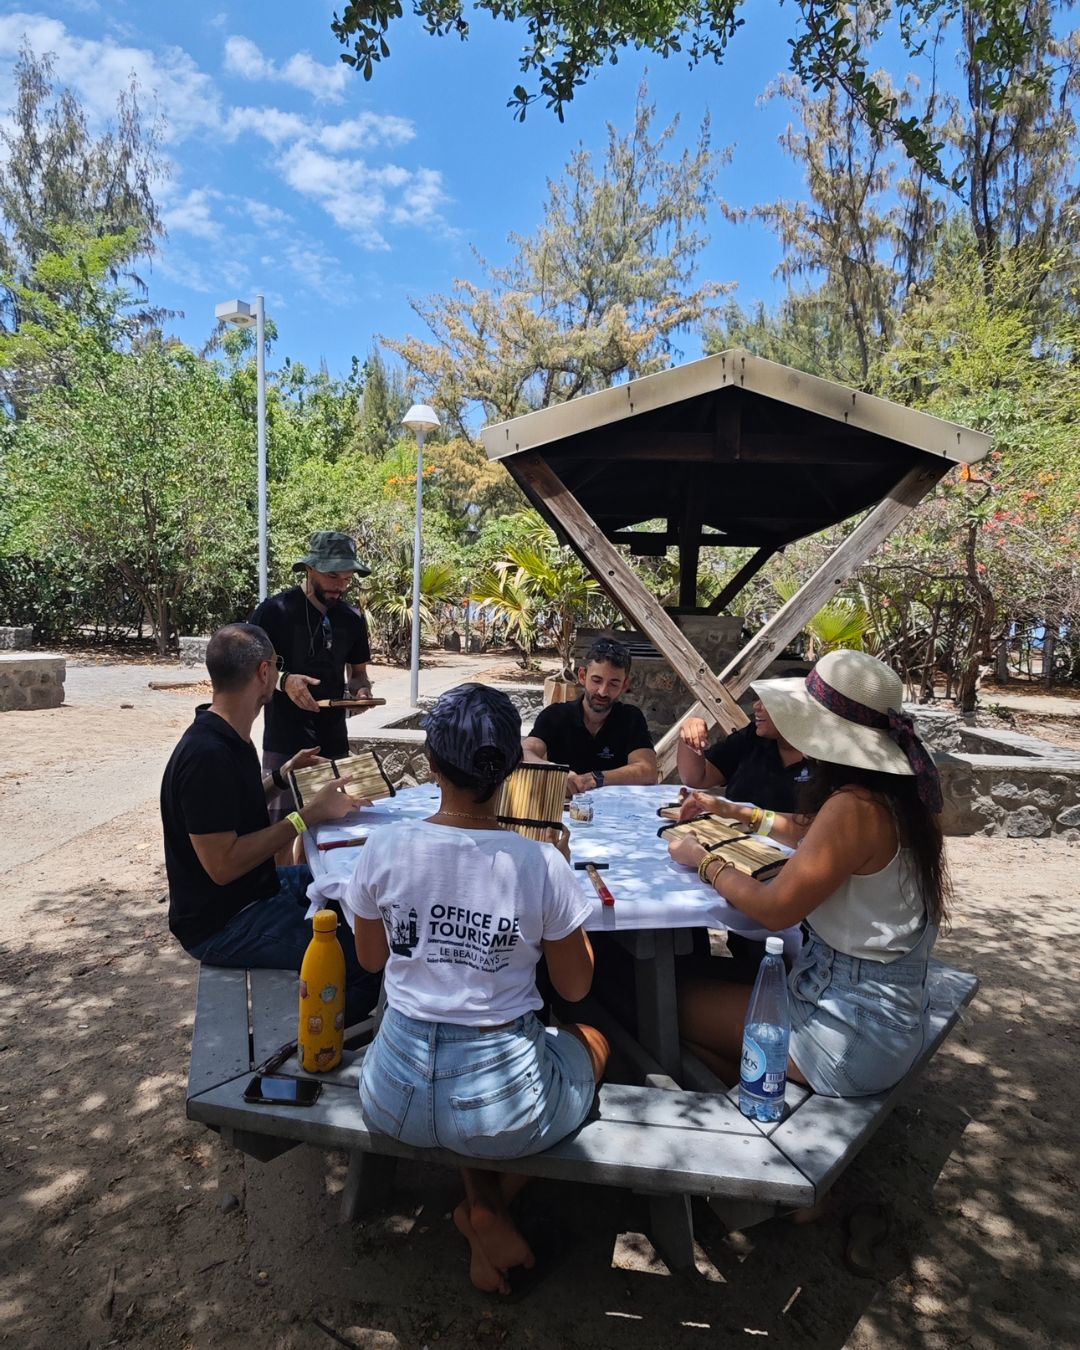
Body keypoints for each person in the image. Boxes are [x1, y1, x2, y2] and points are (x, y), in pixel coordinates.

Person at [341, 683, 610, 1295]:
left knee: (457, 1077)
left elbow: (369, 956)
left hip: (392, 1092)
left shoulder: (385, 846)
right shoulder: (540, 863)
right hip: (503, 1101)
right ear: (511, 769)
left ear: (431, 764)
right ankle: (485, 1206)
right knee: (592, 1037)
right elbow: (575, 986)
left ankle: (480, 1210)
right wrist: (565, 891)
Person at [667, 649, 951, 1097]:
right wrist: (735, 811)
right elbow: (808, 831)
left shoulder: (854, 806)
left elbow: (773, 909)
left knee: (658, 998)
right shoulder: (902, 796)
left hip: (845, 1034)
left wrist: (702, 859)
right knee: (688, 990)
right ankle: (733, 1089)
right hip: (882, 1019)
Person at [161, 623, 381, 1023]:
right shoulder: (206, 755)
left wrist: (282, 777)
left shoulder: (228, 734)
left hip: (256, 890)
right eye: (277, 667)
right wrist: (308, 815)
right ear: (264, 672)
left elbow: (235, 807)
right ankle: (319, 1046)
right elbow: (223, 865)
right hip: (223, 922)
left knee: (352, 893)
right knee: (363, 957)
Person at [676, 691, 811, 979]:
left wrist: (732, 815)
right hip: (739, 870)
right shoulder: (754, 739)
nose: (757, 706)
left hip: (788, 900)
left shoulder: (828, 764)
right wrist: (689, 735)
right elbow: (695, 778)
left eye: (769, 700)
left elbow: (805, 830)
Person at [250, 531, 375, 826]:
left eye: (347, 579)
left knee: (331, 830)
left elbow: (358, 674)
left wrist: (362, 692)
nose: (340, 587)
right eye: (333, 577)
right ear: (309, 569)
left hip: (333, 744)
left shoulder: (352, 619)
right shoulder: (274, 612)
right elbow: (252, 669)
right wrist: (285, 681)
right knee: (280, 832)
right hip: (285, 745)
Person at [524, 637, 658, 795]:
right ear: (582, 676)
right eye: (597, 680)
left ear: (624, 685)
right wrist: (558, 773)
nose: (603, 691)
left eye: (613, 683)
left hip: (614, 810)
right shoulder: (555, 715)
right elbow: (524, 752)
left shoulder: (630, 718)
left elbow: (647, 771)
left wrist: (595, 778)